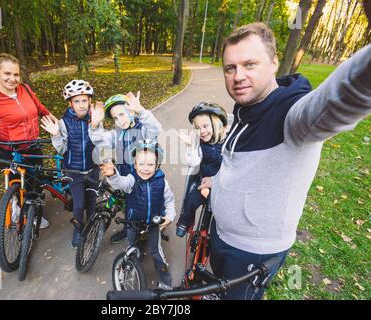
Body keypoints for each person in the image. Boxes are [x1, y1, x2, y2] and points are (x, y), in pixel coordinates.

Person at [197, 20, 371, 299]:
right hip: (222, 234)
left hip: (252, 252)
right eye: (230, 68)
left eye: (250, 64)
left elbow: (340, 102)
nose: (238, 75)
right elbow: (239, 167)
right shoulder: (244, 111)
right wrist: (217, 182)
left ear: (274, 63)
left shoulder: (295, 118)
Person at [0, 53, 56, 229]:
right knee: (17, 186)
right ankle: (18, 210)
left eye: (16, 74)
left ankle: (33, 212)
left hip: (33, 147)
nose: (12, 79)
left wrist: (60, 125)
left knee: (35, 183)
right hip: (9, 152)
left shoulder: (25, 89)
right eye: (7, 74)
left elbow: (41, 108)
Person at [100, 139, 176, 289]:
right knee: (132, 243)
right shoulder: (131, 180)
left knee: (156, 252)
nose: (145, 169)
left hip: (153, 224)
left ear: (157, 165)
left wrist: (169, 217)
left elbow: (170, 201)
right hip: (133, 222)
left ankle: (166, 281)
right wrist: (113, 175)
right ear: (135, 165)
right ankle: (133, 260)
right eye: (141, 164)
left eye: (150, 165)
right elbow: (120, 183)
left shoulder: (162, 183)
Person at [89, 92, 162, 243]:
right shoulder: (117, 133)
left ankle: (151, 229)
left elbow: (155, 128)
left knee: (146, 206)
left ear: (131, 111)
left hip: (144, 177)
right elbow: (100, 140)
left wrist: (141, 111)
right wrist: (95, 126)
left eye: (121, 114)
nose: (119, 120)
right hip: (124, 177)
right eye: (116, 118)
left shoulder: (143, 129)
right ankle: (129, 228)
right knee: (128, 205)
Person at [40, 79, 100, 248]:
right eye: (76, 101)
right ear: (70, 103)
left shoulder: (94, 119)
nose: (81, 105)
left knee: (92, 203)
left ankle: (93, 225)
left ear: (89, 101)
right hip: (74, 172)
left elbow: (100, 142)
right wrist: (56, 134)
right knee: (79, 205)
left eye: (84, 101)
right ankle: (78, 228)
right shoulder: (63, 123)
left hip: (92, 169)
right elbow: (61, 149)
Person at [175, 102, 228, 237]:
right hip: (204, 181)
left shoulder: (227, 142)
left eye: (205, 126)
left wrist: (216, 185)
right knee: (191, 199)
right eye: (198, 128)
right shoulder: (199, 143)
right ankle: (184, 221)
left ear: (216, 124)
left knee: (221, 210)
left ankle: (219, 232)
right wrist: (190, 146)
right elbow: (194, 162)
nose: (202, 131)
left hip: (224, 182)